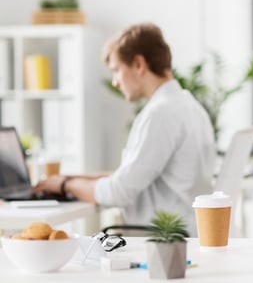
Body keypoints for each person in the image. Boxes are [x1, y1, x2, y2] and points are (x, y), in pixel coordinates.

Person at [33, 23, 216, 235]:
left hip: (163, 240)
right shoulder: (188, 105)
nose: (115, 82)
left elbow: (118, 193)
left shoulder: (160, 114)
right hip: (187, 232)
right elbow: (132, 174)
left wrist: (66, 185)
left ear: (139, 64)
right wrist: (75, 179)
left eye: (116, 70)